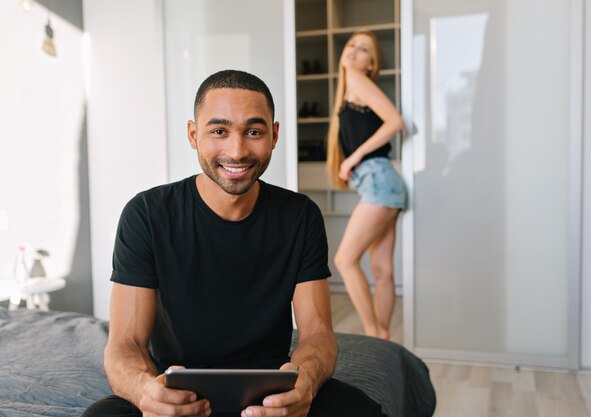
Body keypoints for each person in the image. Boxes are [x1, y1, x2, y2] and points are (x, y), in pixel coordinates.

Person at [82, 70, 388, 417]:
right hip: (176, 392)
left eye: (253, 132)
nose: (237, 151)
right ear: (193, 135)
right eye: (219, 131)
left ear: (274, 136)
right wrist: (144, 392)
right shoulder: (147, 214)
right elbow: (125, 344)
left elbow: (318, 335)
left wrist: (304, 381)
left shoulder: (300, 216)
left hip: (273, 391)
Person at [327, 31, 407, 340]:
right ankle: (383, 337)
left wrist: (354, 157)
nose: (354, 52)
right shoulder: (350, 89)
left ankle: (373, 333)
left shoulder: (359, 82)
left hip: (378, 180)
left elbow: (395, 122)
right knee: (382, 269)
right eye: (352, 46)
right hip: (383, 183)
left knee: (344, 260)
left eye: (364, 50)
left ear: (371, 63)